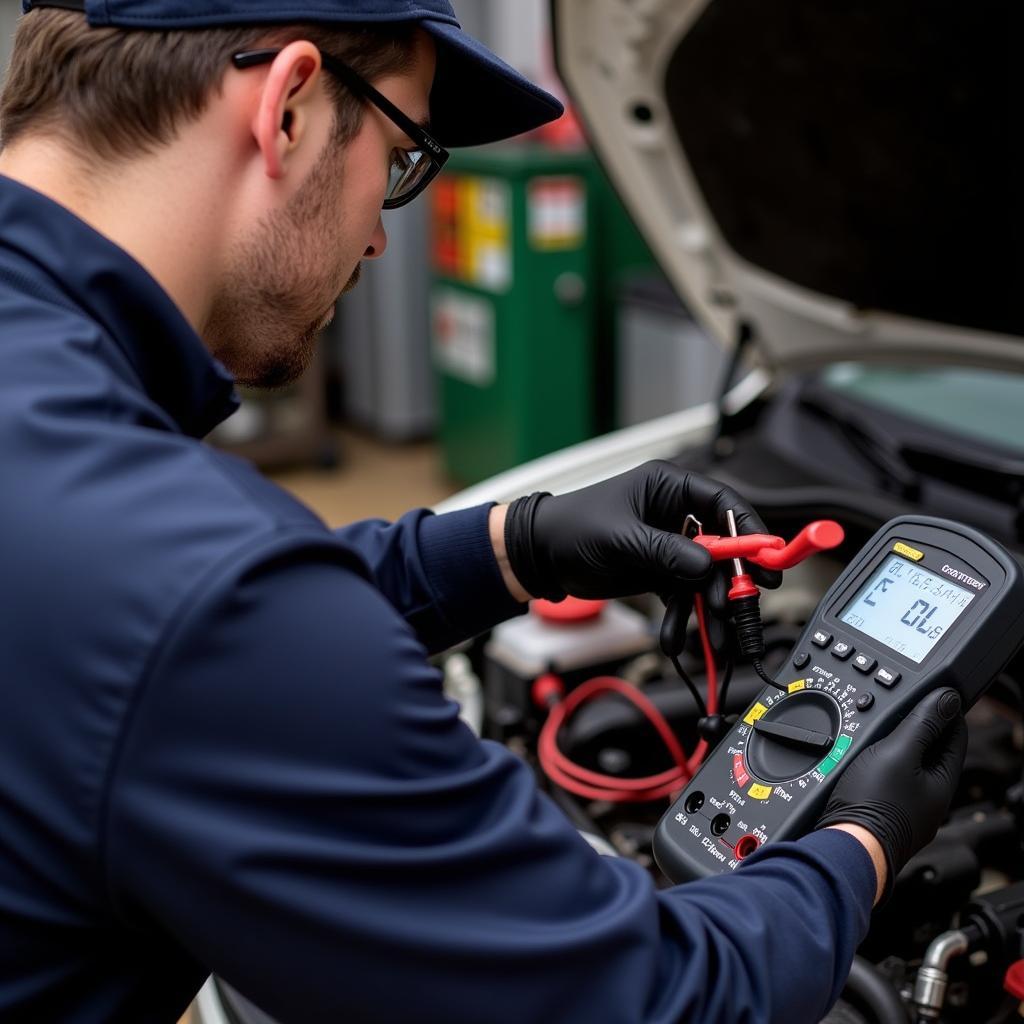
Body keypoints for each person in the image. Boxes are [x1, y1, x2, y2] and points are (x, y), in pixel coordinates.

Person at [0, 2, 967, 1022]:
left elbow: (126, 634)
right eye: (405, 156)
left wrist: (513, 544)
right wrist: (860, 838)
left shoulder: (78, 470)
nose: (380, 234)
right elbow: (656, 1003)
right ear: (286, 105)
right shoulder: (188, 594)